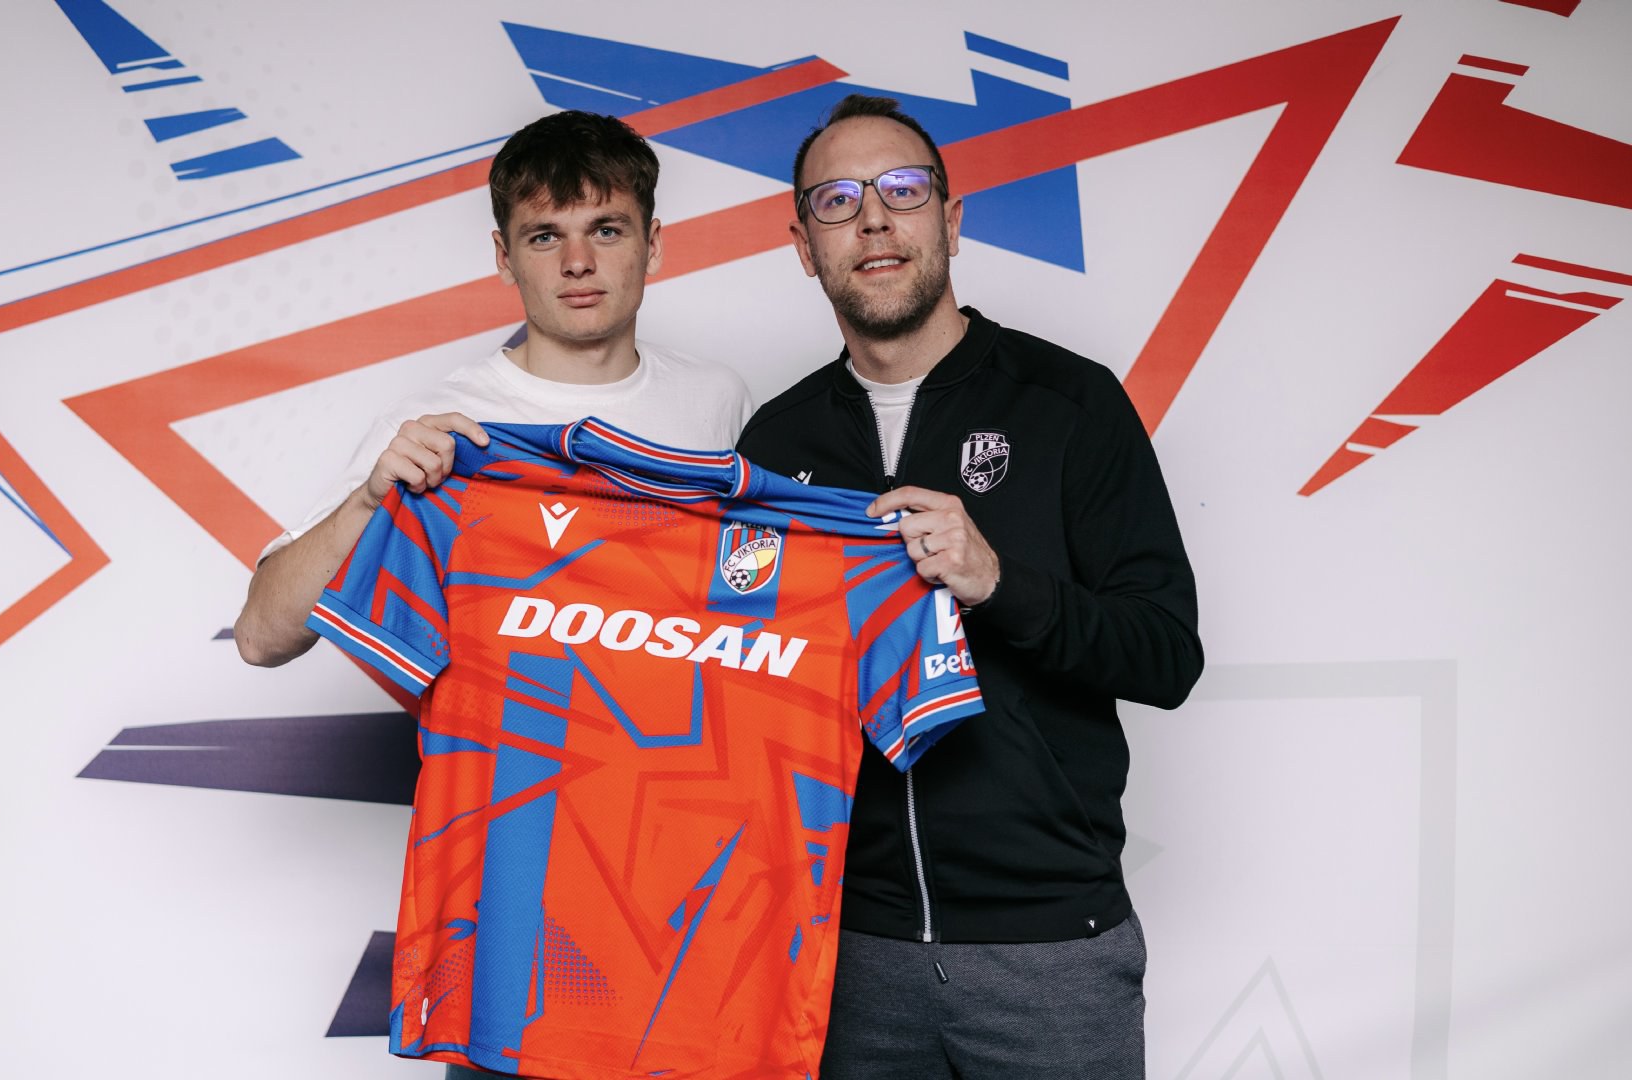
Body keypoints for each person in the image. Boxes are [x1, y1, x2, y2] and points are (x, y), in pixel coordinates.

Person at [735, 94, 1204, 1079]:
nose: (873, 219)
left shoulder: (1071, 402)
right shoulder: (775, 442)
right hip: (848, 952)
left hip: (1052, 952)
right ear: (803, 246)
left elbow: (1166, 656)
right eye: (836, 200)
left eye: (903, 190)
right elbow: (746, 685)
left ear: (950, 220)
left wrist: (1000, 584)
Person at [235, 110, 751, 670]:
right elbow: (260, 638)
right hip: (507, 728)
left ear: (651, 245)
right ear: (505, 258)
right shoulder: (432, 425)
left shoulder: (719, 398)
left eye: (606, 231)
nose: (578, 263)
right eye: (545, 237)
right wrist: (367, 504)